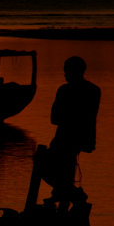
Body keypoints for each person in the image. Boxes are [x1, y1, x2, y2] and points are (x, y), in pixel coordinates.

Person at [45, 56, 101, 200]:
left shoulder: (65, 90)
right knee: (64, 170)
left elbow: (54, 119)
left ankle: (72, 194)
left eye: (67, 71)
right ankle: (64, 192)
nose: (64, 74)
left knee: (43, 165)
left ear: (74, 71)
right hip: (81, 138)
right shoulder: (94, 90)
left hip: (67, 138)